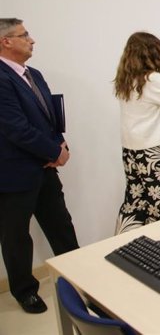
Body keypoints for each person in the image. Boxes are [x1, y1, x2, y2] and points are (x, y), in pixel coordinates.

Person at [0, 18, 79, 314]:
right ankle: (25, 291)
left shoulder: (34, 74)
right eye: (24, 35)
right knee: (16, 235)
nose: (32, 40)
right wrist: (51, 151)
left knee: (62, 226)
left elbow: (49, 117)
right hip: (14, 174)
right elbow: (15, 128)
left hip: (46, 169)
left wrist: (60, 146)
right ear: (6, 41)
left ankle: (76, 277)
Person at [113, 32, 160, 234]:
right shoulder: (151, 79)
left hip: (131, 152)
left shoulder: (126, 79)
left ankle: (128, 243)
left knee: (135, 203)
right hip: (153, 152)